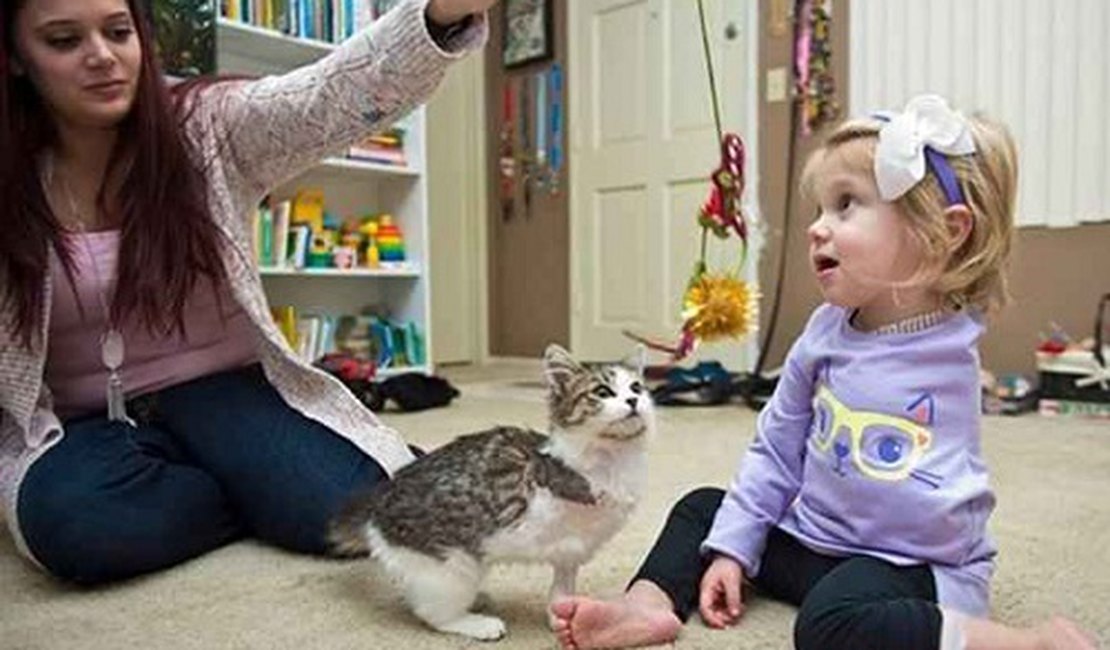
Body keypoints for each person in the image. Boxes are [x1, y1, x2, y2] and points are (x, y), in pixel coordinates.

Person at [550, 95, 1098, 650]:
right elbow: (777, 443)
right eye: (818, 209)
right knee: (703, 509)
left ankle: (1025, 643)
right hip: (813, 538)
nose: (816, 228)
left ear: (942, 234)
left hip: (909, 564)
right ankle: (646, 607)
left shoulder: (953, 339)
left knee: (828, 624)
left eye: (845, 206)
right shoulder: (823, 331)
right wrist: (736, 546)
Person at [0, 0, 494, 585]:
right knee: (75, 528)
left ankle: (245, 478)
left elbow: (326, 96)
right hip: (78, 423)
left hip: (222, 393)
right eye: (63, 40)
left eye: (118, 32)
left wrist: (438, 14)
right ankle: (250, 490)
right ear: (16, 57)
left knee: (356, 510)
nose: (103, 57)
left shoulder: (206, 125)